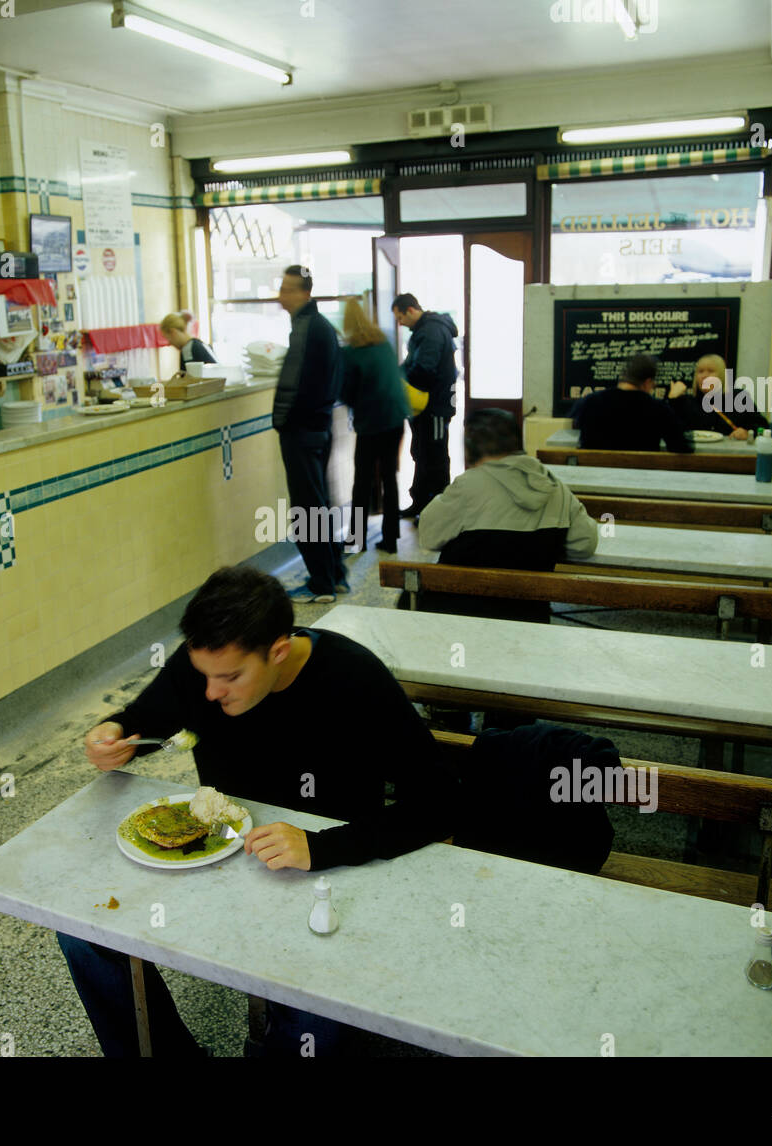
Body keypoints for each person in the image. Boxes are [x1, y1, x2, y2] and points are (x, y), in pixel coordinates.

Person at [58, 566, 456, 1057]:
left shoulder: (354, 679)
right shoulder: (205, 664)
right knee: (82, 931)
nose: (210, 692)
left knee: (310, 1010)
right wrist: (116, 734)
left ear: (278, 652)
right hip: (217, 855)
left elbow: (438, 804)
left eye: (229, 678)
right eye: (203, 674)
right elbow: (145, 720)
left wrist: (320, 846)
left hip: (324, 870)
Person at [414, 408, 599, 624]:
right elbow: (585, 544)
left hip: (459, 615)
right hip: (529, 616)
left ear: (470, 448)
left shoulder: (469, 485)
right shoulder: (554, 485)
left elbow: (429, 536)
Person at [274, 266, 347, 603]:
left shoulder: (306, 328)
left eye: (288, 289)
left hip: (302, 430)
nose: (281, 296)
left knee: (307, 509)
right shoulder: (321, 326)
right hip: (319, 426)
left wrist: (281, 421)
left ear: (305, 293)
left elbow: (293, 383)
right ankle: (335, 575)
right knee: (319, 504)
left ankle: (321, 585)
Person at [340, 298, 411, 553]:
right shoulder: (384, 342)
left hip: (371, 423)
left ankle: (357, 539)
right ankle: (390, 539)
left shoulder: (351, 352)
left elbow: (346, 391)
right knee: (389, 478)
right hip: (395, 419)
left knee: (362, 481)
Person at [392, 293, 458, 519]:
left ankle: (439, 512)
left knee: (435, 456)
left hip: (435, 406)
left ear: (410, 310)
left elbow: (423, 370)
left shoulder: (431, 331)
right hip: (426, 407)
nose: (399, 323)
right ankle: (419, 503)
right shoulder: (425, 330)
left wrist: (403, 379)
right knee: (421, 453)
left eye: (400, 317)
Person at [570, 352, 693, 453]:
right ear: (647, 382)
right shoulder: (658, 409)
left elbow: (576, 425)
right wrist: (676, 401)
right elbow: (681, 448)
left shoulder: (590, 401)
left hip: (594, 476)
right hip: (643, 478)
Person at [667, 354, 770, 440]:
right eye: (700, 371)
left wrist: (748, 433)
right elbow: (667, 429)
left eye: (710, 371)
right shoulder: (686, 402)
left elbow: (763, 427)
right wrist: (672, 399)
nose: (704, 376)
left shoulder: (739, 397)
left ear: (721, 376)